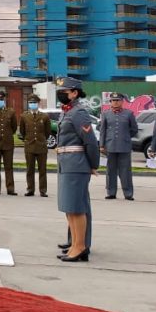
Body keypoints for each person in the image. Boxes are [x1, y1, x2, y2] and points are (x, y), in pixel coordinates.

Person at [54, 76, 98, 263]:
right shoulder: (67, 111)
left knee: (76, 208)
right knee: (69, 208)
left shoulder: (79, 113)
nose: (61, 95)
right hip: (66, 162)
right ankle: (75, 244)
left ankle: (80, 246)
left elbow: (90, 142)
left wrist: (93, 164)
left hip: (76, 163)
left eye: (64, 92)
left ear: (75, 93)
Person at [98, 92, 138, 200]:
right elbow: (102, 131)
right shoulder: (105, 114)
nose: (115, 102)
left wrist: (125, 136)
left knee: (125, 171)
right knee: (110, 171)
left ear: (122, 101)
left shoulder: (129, 114)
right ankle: (111, 192)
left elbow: (134, 129)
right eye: (113, 100)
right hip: (110, 146)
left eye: (117, 100)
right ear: (110, 102)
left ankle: (128, 193)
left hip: (124, 146)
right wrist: (101, 145)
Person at [19, 94, 51, 197]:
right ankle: (30, 189)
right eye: (31, 103)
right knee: (30, 170)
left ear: (38, 103)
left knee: (42, 170)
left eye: (34, 103)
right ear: (28, 104)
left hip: (41, 146)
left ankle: (43, 190)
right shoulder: (24, 116)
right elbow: (22, 131)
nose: (33, 104)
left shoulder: (44, 116)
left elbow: (47, 132)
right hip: (29, 146)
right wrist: (28, 139)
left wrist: (42, 140)